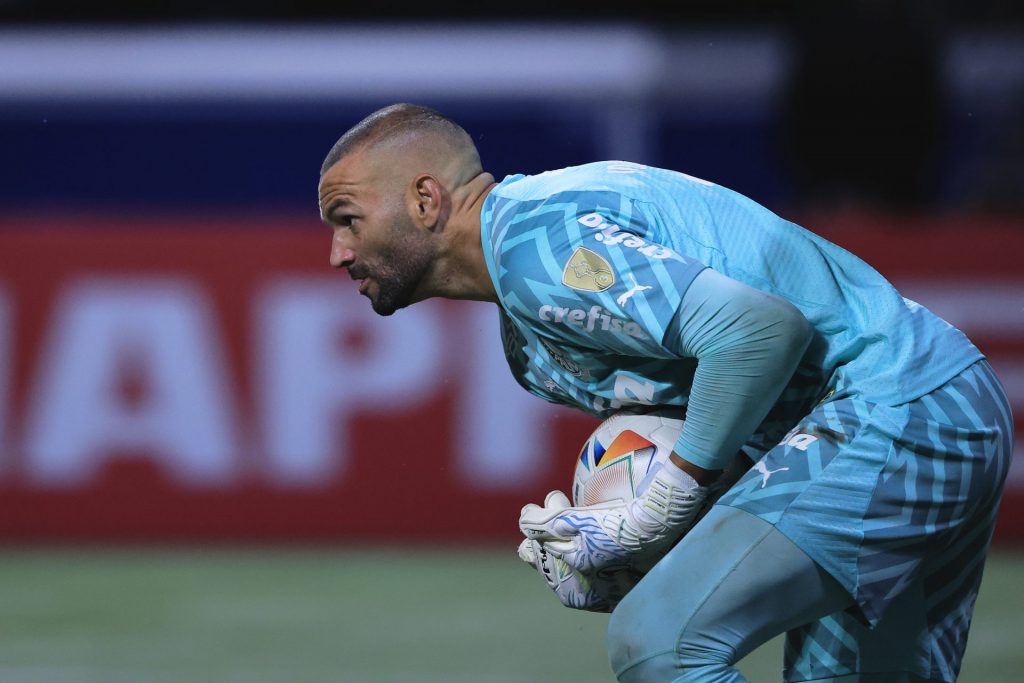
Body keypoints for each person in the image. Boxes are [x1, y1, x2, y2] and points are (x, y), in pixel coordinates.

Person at [317, 103, 1013, 682]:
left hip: (892, 406)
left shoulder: (534, 239)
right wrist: (615, 551)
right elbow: (733, 434)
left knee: (659, 641)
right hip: (939, 404)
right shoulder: (529, 349)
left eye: (349, 219)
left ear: (426, 199)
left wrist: (664, 501)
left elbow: (762, 331)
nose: (337, 254)